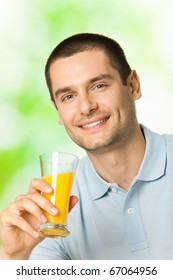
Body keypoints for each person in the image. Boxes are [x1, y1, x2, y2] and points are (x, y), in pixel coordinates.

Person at [0, 33, 173, 260]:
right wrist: (15, 255)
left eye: (99, 85)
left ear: (133, 86)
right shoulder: (52, 211)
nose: (85, 107)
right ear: (58, 112)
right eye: (69, 96)